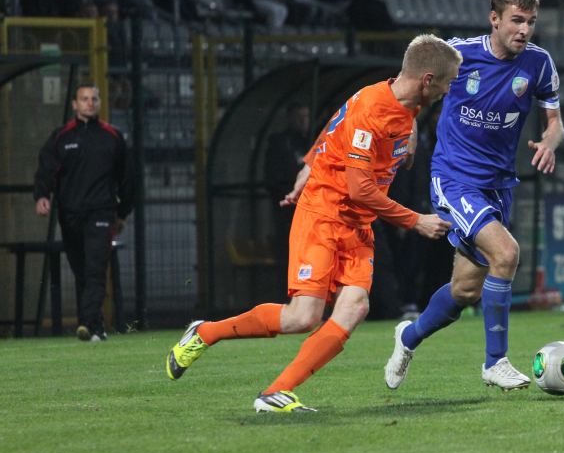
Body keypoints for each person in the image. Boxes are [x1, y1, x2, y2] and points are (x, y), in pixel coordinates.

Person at [165, 35, 459, 413]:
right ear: (428, 80)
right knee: (303, 318)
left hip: (358, 225)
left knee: (354, 307)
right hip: (326, 214)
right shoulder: (373, 110)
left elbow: (335, 120)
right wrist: (415, 219)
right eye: (449, 82)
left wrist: (308, 163)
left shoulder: (398, 99)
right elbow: (359, 187)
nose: (451, 90)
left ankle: (276, 392)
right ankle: (206, 332)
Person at [384, 0, 564, 391]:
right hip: (453, 178)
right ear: (495, 19)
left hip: (498, 185)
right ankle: (494, 362)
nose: (524, 30)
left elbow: (555, 122)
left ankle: (408, 337)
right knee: (507, 253)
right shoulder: (459, 54)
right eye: (516, 20)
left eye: (531, 22)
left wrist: (551, 141)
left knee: (465, 290)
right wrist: (408, 128)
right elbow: (408, 89)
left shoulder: (538, 64)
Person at [33, 85, 134, 342]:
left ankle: (89, 324)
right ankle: (94, 326)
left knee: (95, 268)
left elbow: (127, 178)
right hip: (70, 215)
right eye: (84, 99)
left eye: (94, 99)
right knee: (81, 269)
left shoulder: (112, 137)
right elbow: (46, 168)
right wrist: (42, 195)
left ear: (99, 103)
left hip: (101, 212)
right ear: (75, 105)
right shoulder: (61, 138)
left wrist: (121, 212)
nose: (89, 103)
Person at [264, 101, 310, 292]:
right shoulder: (280, 143)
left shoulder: (313, 141)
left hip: (311, 212)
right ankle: (289, 296)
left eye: (306, 117)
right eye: (299, 117)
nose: (303, 122)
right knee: (289, 254)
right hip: (288, 212)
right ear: (290, 118)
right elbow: (273, 178)